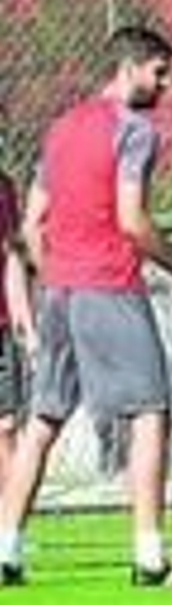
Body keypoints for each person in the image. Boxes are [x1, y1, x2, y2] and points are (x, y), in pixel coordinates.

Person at [0, 26, 172, 588]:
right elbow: (133, 220)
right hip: (110, 287)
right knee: (150, 413)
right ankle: (149, 560)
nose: (166, 84)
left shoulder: (64, 126)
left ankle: (7, 552)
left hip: (61, 292)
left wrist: (55, 274)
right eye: (160, 72)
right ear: (132, 68)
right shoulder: (134, 130)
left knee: (43, 421)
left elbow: (31, 223)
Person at [0, 170, 37, 491]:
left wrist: (26, 323)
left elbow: (12, 259)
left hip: (1, 329)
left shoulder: (5, 188)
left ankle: (8, 528)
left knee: (7, 426)